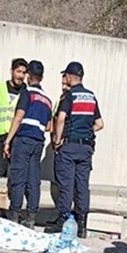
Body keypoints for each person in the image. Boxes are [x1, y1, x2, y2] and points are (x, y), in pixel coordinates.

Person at [46, 62, 104, 238]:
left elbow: (61, 118)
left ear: (70, 77)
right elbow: (100, 124)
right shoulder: (91, 97)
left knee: (66, 184)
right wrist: (86, 132)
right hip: (86, 147)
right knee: (82, 186)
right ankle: (83, 224)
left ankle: (63, 219)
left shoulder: (69, 96)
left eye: (65, 76)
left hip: (69, 146)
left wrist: (57, 140)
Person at [2, 60, 52, 228]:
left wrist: (8, 141)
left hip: (23, 139)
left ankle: (14, 215)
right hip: (38, 142)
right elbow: (49, 126)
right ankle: (30, 217)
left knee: (18, 178)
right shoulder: (47, 99)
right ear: (42, 77)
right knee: (33, 180)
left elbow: (18, 117)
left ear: (29, 75)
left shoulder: (27, 93)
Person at [49, 74, 71, 209]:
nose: (64, 87)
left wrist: (58, 141)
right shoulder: (60, 101)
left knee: (65, 184)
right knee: (59, 182)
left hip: (64, 147)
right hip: (57, 148)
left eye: (66, 85)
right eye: (62, 84)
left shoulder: (70, 100)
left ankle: (64, 215)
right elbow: (54, 120)